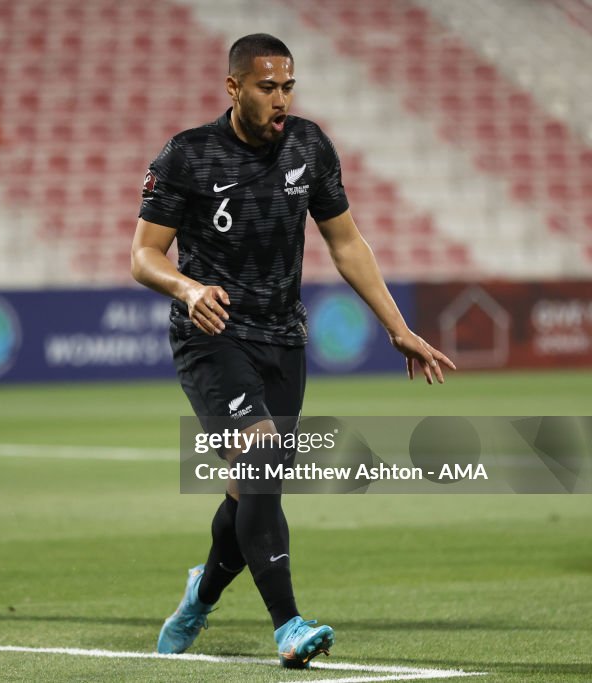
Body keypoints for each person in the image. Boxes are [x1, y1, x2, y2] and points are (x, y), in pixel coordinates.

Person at [131, 34, 455, 667]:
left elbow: (347, 243)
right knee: (261, 453)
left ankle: (200, 594)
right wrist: (187, 287)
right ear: (233, 89)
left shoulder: (310, 147)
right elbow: (143, 255)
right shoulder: (187, 156)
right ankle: (288, 625)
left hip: (285, 338)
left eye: (288, 87)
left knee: (252, 486)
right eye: (267, 87)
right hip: (212, 333)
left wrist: (396, 325)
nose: (281, 99)